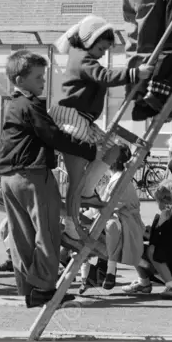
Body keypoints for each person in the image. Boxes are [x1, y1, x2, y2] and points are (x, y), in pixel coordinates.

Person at [0, 50, 97, 309]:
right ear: (20, 80)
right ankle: (44, 288)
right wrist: (89, 150)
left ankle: (29, 287)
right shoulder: (30, 105)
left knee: (22, 233)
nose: (43, 81)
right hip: (32, 174)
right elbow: (53, 136)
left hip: (9, 176)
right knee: (48, 231)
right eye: (38, 77)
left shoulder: (12, 105)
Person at [54, 15, 152, 228]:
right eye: (101, 48)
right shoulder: (82, 59)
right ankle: (72, 224)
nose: (103, 53)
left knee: (113, 150)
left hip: (83, 119)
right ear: (89, 40)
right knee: (75, 175)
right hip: (72, 115)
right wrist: (135, 74)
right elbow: (105, 76)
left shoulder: (82, 58)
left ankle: (87, 191)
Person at [80, 143, 144, 293]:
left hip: (126, 222)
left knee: (87, 229)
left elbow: (105, 207)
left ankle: (104, 271)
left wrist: (85, 213)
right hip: (123, 219)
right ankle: (96, 273)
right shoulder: (119, 177)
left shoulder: (117, 180)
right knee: (85, 224)